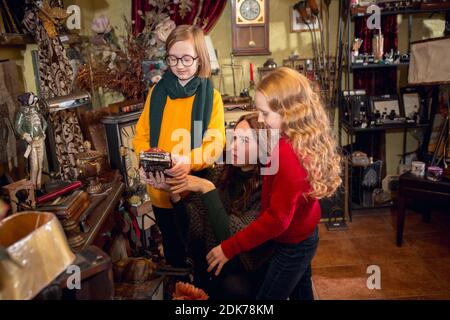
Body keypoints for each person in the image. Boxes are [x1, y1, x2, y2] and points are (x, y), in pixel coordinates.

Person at [205, 67, 342, 300]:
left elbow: (277, 220)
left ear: (290, 112)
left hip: (293, 246)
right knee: (301, 293)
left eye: (265, 114)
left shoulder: (288, 155)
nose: (260, 119)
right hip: (304, 234)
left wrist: (229, 247)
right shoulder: (295, 139)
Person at [149, 113, 274, 299]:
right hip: (213, 265)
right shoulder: (221, 174)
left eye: (245, 141)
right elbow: (195, 230)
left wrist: (206, 188)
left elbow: (233, 240)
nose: (233, 146)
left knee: (231, 286)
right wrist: (173, 193)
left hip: (245, 270)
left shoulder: (267, 187)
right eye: (234, 138)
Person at [133, 25, 225, 268]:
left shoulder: (211, 97)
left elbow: (215, 143)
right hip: (160, 192)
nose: (180, 65)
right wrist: (142, 161)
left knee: (199, 254)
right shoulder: (157, 93)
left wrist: (189, 161)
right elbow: (141, 137)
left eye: (186, 58)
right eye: (173, 58)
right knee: (173, 253)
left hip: (194, 191)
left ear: (200, 58)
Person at [14, 92, 47, 190]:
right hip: (32, 142)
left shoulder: (35, 110)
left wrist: (43, 131)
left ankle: (39, 184)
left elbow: (44, 123)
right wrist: (24, 135)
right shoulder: (22, 111)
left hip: (40, 139)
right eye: (32, 98)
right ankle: (32, 189)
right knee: (34, 166)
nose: (35, 99)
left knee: (41, 165)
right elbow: (17, 127)